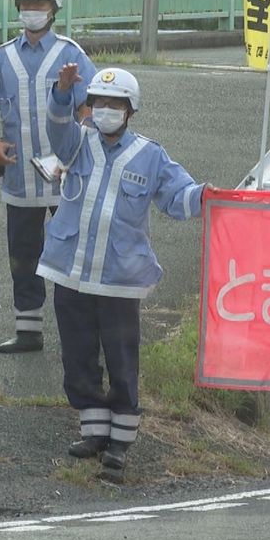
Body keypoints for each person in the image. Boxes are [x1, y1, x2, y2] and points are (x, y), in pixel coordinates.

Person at [40, 64, 211, 482]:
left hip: (120, 279)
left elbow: (178, 197)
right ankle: (93, 432)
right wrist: (63, 92)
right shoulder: (77, 143)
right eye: (99, 103)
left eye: (115, 105)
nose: (105, 111)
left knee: (121, 359)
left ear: (130, 110)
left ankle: (120, 442)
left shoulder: (150, 155)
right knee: (77, 355)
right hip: (71, 272)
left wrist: (208, 196)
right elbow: (57, 126)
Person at [0, 0, 99, 354]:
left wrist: (77, 151)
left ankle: (80, 333)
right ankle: (28, 331)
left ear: (54, 8)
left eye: (39, 3)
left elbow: (89, 109)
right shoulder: (1, 58)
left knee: (70, 253)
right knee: (23, 255)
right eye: (25, 4)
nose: (31, 10)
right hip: (19, 180)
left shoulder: (72, 55)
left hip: (65, 178)